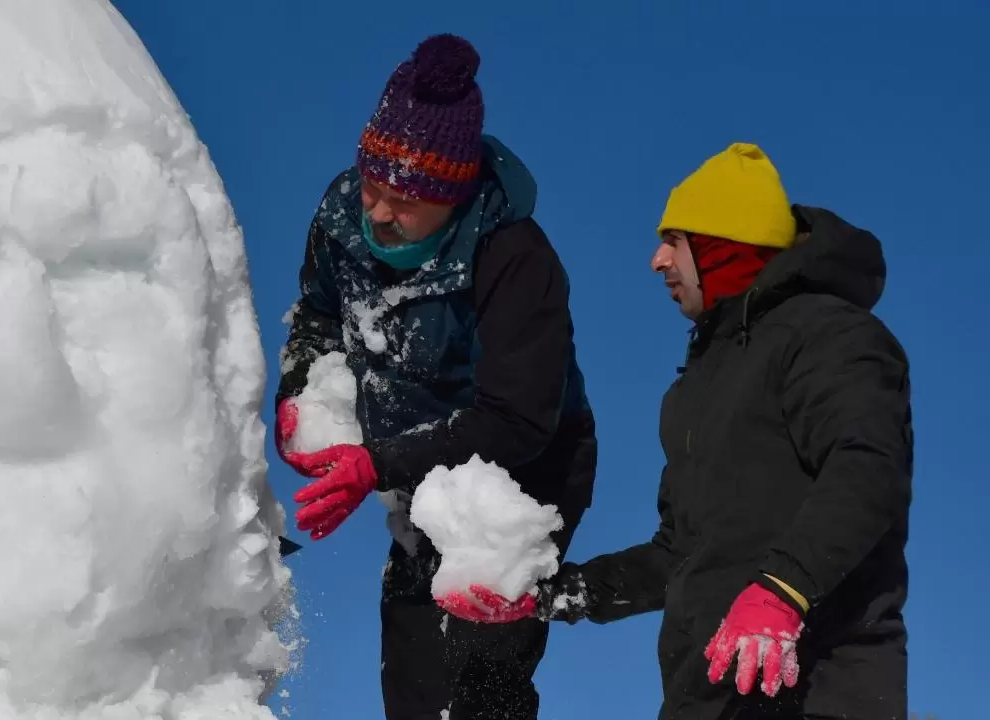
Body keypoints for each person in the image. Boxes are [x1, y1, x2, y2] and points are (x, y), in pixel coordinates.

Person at [437, 143, 913, 719]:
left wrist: (785, 589)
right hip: (708, 695)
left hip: (818, 688)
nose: (657, 261)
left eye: (675, 240)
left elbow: (867, 466)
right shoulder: (697, 389)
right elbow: (679, 554)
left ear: (722, 244)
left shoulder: (831, 336)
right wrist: (558, 593)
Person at [273, 33, 597, 720]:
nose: (381, 212)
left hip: (520, 473)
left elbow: (519, 418)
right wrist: (303, 394)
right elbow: (318, 317)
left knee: (478, 668)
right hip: (409, 467)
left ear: (453, 195)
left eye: (408, 197)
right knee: (415, 668)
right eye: (373, 185)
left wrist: (376, 464)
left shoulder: (513, 257)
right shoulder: (340, 216)